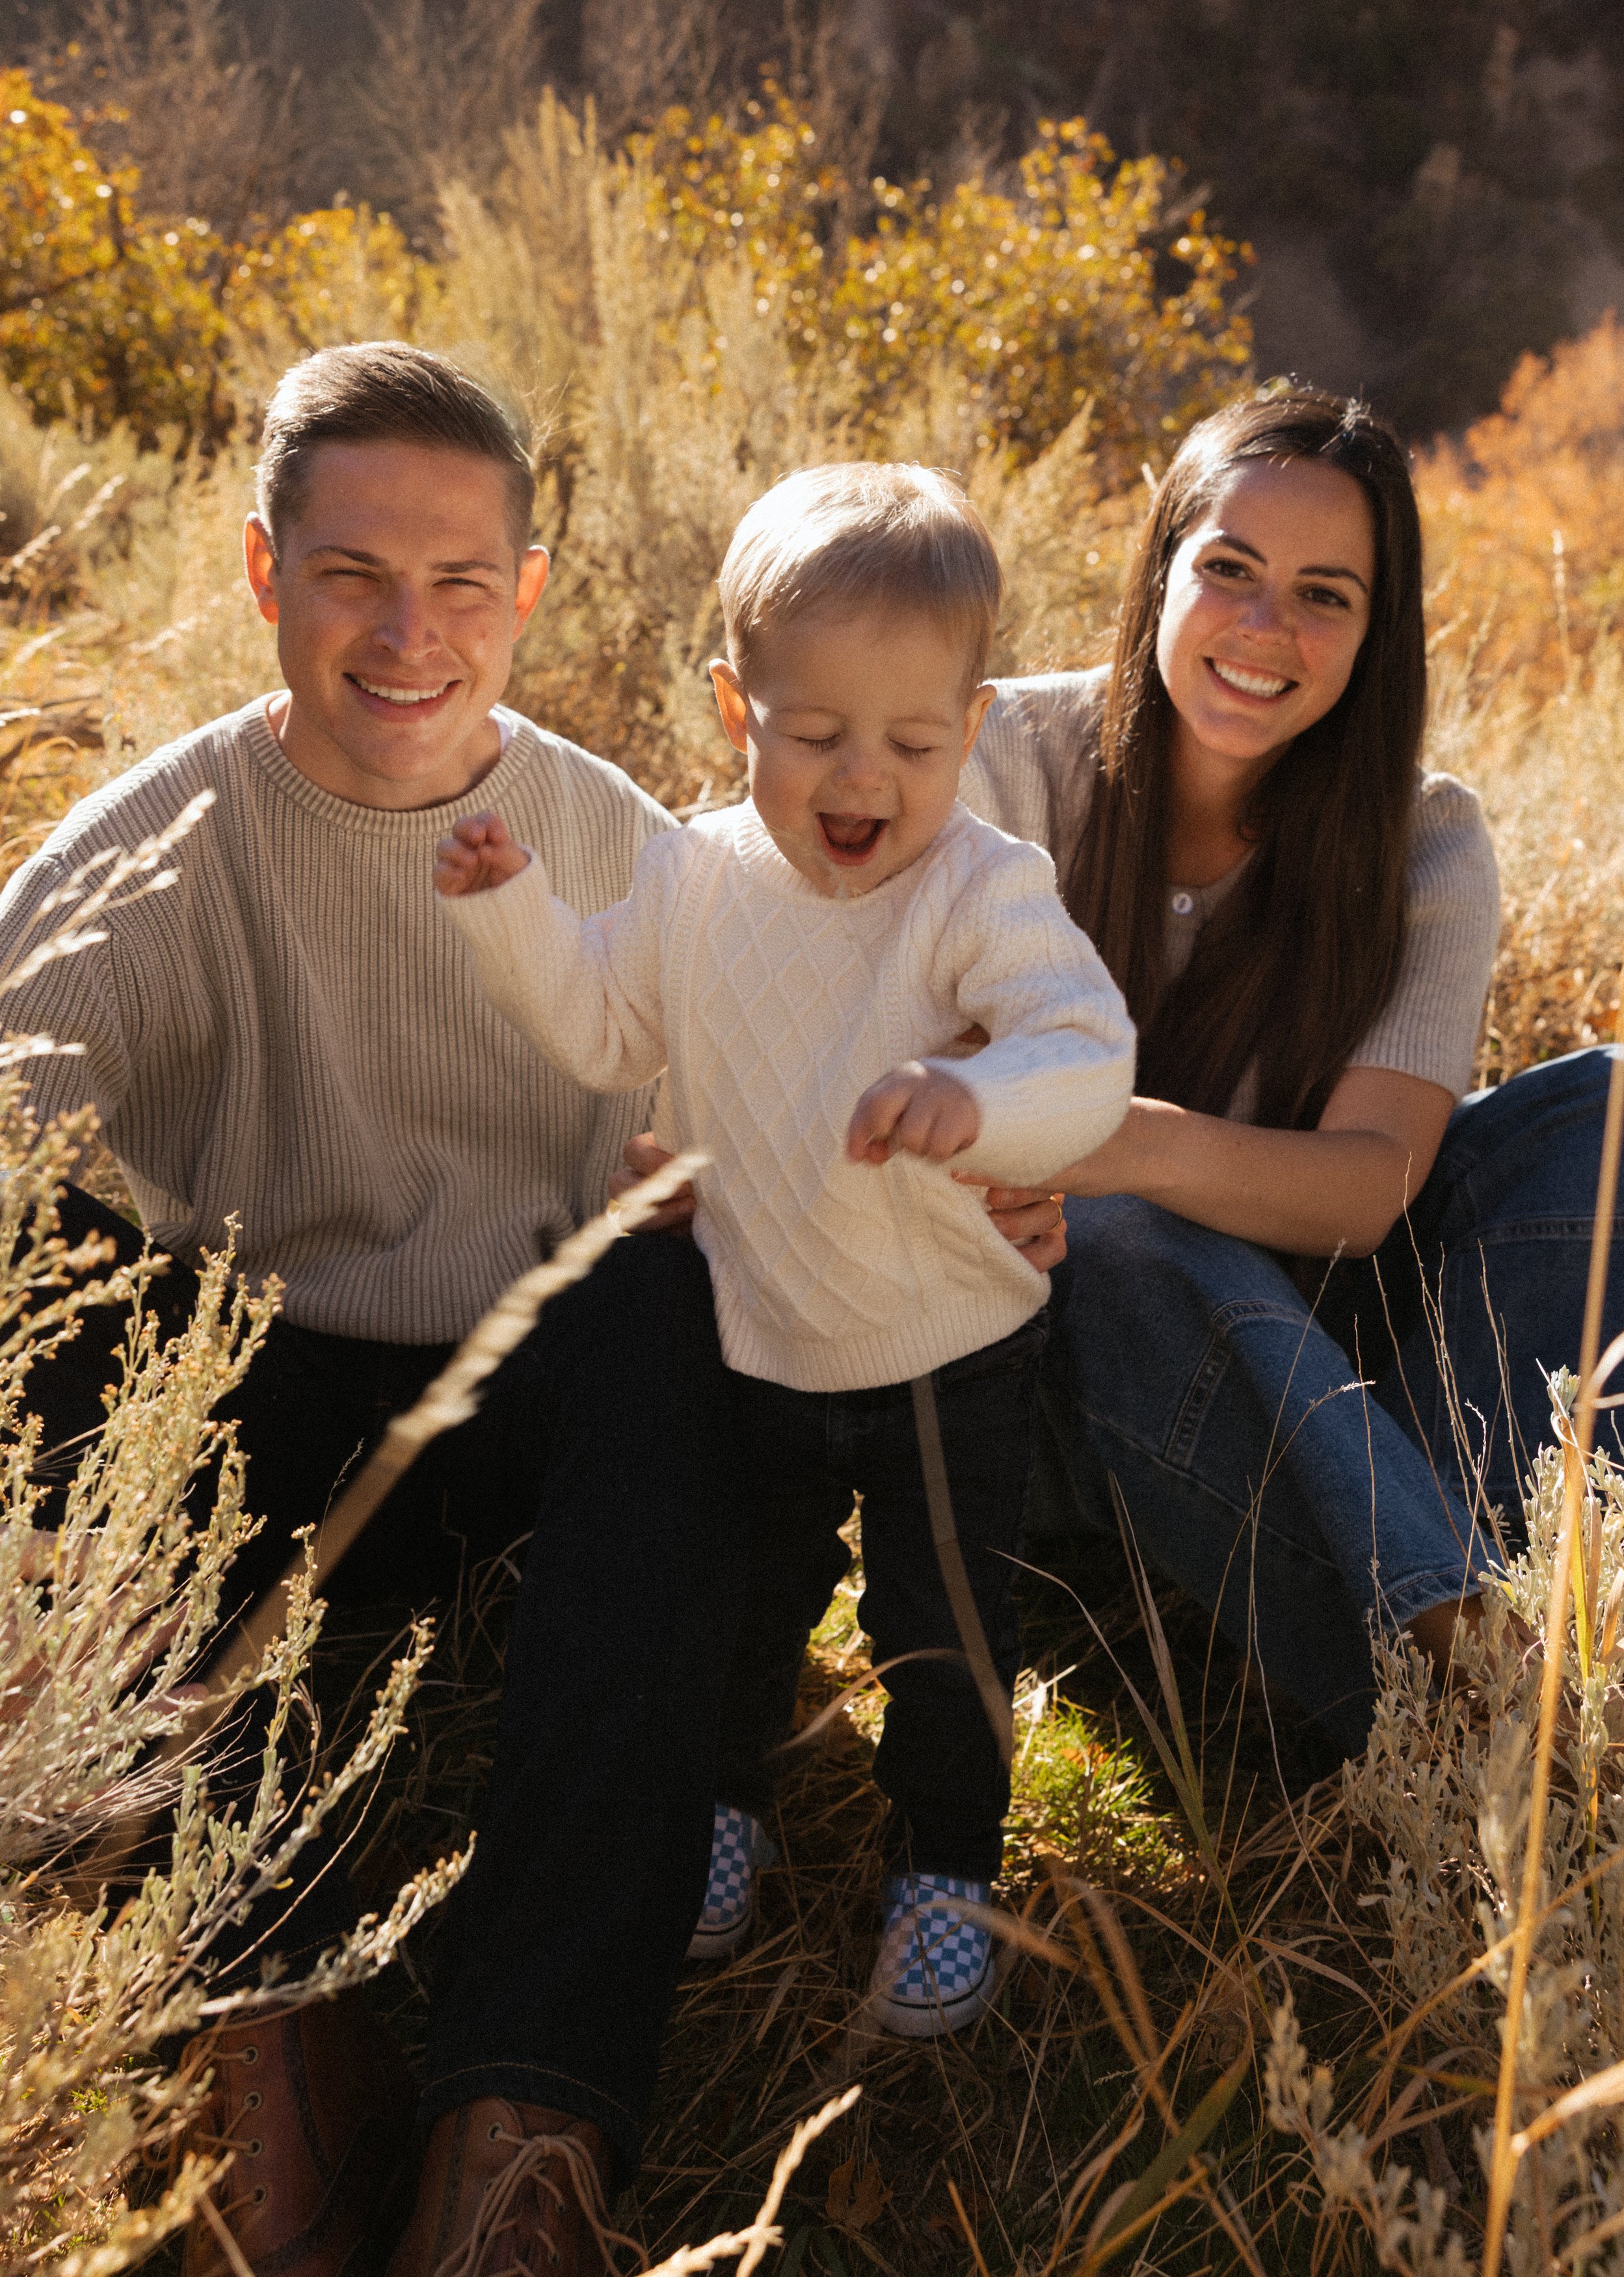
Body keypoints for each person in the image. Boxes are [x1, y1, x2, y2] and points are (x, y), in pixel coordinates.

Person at [0, 345, 1067, 2277]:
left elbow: (824, 1072)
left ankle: (521, 2135)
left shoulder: (630, 850)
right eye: (350, 576)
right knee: (55, 1336)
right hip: (248, 1395)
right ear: (261, 572)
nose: (409, 634)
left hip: (548, 1400)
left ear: (532, 587)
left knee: (667, 1291)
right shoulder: (161, 851)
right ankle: (276, 2054)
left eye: (460, 581)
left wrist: (984, 1157)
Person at [433, 463, 1135, 2039]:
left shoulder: (979, 888)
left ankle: (945, 1865)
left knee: (941, 1628)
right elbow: (609, 1031)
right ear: (732, 706)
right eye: (813, 733)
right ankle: (730, 1807)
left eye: (913, 741)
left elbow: (1084, 1048)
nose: (861, 778)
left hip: (949, 1344)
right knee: (746, 1597)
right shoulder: (692, 874)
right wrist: (515, 915)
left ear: (972, 725)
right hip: (758, 1328)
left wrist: (978, 1094)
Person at [956, 383, 1624, 1756]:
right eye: (1228, 571)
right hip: (1059, 1383)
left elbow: (1368, 1189)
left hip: (1319, 1360)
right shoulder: (1003, 762)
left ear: (1374, 636)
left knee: (1607, 1105)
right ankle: (1445, 1694)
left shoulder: (1422, 844)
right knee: (1122, 1227)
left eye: (1324, 596)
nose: (1266, 630)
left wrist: (1109, 1134)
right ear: (1158, 573)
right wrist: (1104, 1166)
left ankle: (1475, 1574)